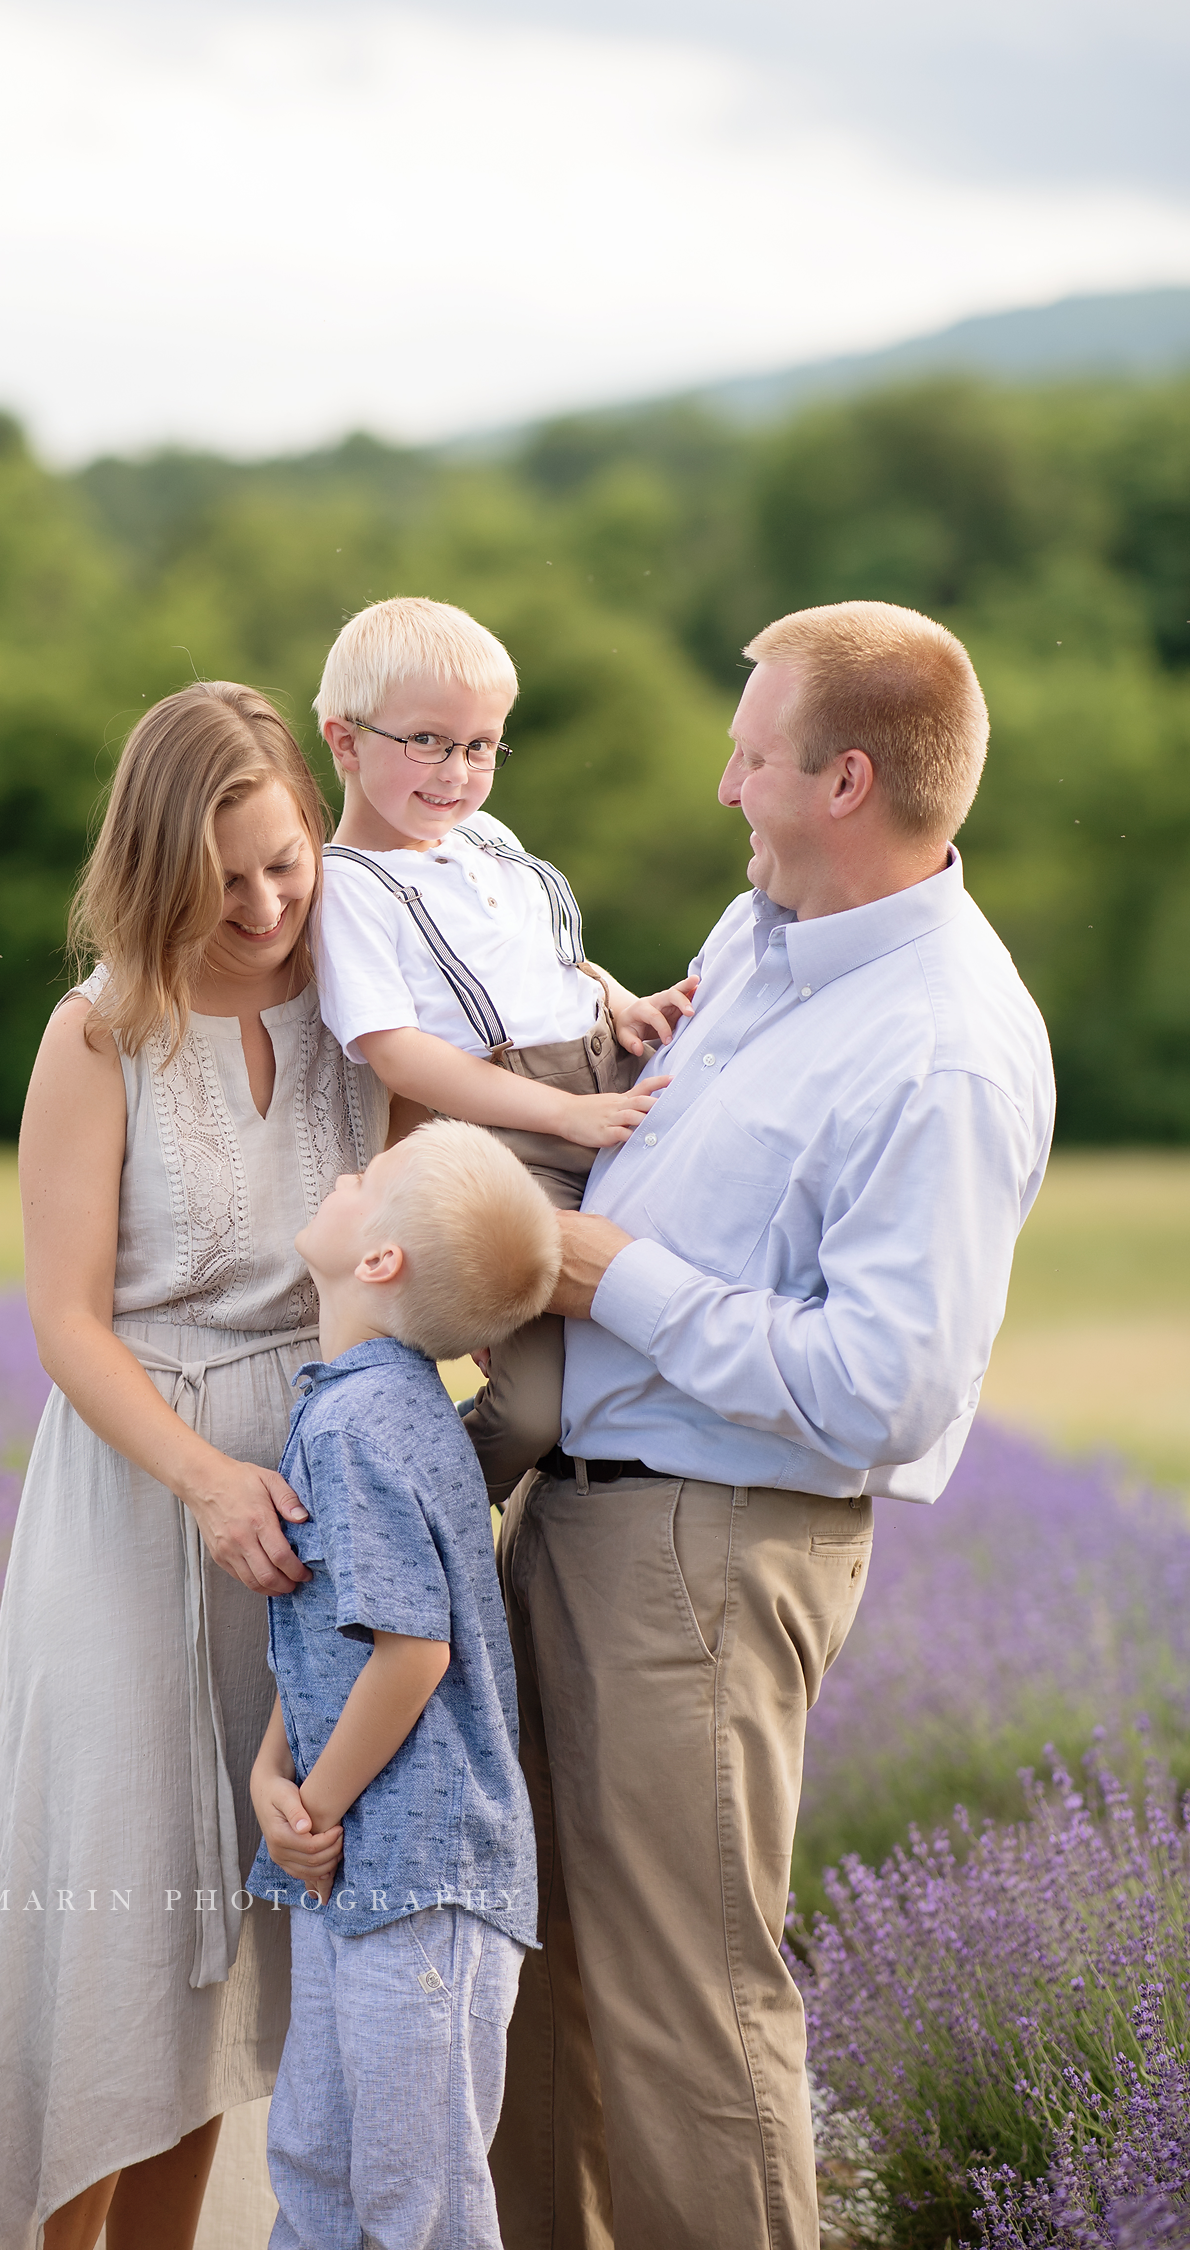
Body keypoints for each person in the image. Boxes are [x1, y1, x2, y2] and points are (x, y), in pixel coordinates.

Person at [489, 600, 1056, 2250]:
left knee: (688, 2016)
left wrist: (612, 1276)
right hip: (595, 1517)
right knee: (540, 1985)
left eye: (752, 756)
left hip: (710, 1555)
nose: (725, 788)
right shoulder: (762, 936)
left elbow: (888, 1389)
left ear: (848, 780)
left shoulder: (944, 1049)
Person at [0, 683, 388, 2250]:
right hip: (138, 1496)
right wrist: (202, 1476)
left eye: (285, 864)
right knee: (122, 1914)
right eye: (225, 880)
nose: (264, 907)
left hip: (308, 1506)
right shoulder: (97, 1031)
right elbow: (64, 1319)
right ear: (155, 867)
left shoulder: (354, 1002)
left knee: (230, 1949)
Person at [245, 1119, 559, 2249]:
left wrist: (314, 1805)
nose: (342, 1173)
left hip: (424, 1877)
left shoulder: (363, 1425)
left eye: (368, 1178)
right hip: (369, 1872)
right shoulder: (365, 1402)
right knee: (319, 2165)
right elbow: (343, 1622)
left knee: (412, 2200)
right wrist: (272, 1767)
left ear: (379, 1262)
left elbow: (412, 1652)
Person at [313, 596, 696, 1500]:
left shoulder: (483, 836)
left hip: (602, 1081)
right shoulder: (351, 887)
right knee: (530, 1408)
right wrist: (565, 1111)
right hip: (511, 1145)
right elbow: (398, 1053)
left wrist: (617, 998)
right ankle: (391, 1516)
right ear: (343, 740)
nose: (459, 772)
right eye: (428, 742)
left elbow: (543, 960)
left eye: (482, 746)